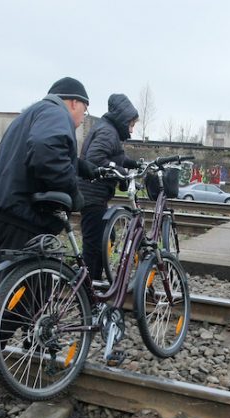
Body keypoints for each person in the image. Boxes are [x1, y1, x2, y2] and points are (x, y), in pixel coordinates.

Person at [0, 77, 95, 418]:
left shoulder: (32, 112)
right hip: (19, 216)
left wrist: (83, 167)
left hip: (8, 211)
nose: (82, 120)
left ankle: (28, 362)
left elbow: (44, 151)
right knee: (16, 302)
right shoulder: (55, 113)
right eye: (84, 112)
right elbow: (47, 151)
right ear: (73, 102)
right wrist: (73, 193)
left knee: (31, 295)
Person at [77, 93, 139, 280]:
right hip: (91, 194)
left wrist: (133, 164)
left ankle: (95, 282)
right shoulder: (107, 132)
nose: (132, 130)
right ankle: (90, 287)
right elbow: (95, 158)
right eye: (131, 124)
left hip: (95, 195)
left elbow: (114, 156)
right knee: (95, 245)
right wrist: (122, 172)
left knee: (106, 237)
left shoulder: (108, 130)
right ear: (123, 119)